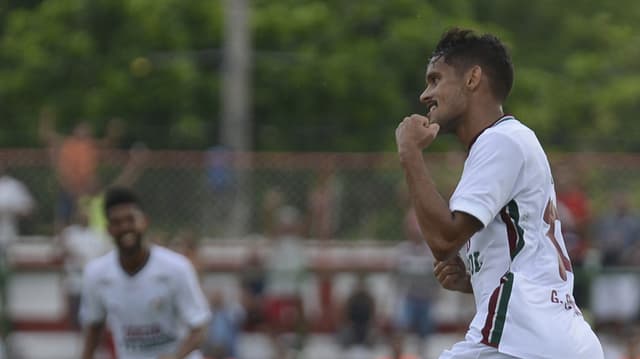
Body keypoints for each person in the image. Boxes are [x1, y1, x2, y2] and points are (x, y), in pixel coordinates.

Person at [394, 28, 603, 359]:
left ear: (473, 78)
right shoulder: (510, 140)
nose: (425, 94)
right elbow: (529, 257)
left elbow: (444, 240)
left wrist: (410, 154)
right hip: (559, 339)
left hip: (522, 342)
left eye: (435, 80)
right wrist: (473, 280)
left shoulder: (499, 141)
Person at [79, 187, 210, 359]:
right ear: (109, 229)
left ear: (145, 222)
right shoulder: (96, 273)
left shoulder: (177, 268)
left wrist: (177, 356)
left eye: (130, 220)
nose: (125, 227)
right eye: (117, 222)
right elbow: (93, 328)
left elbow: (199, 327)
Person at [393, 207, 438, 355]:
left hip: (426, 299)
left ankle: (422, 354)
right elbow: (396, 277)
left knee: (425, 332)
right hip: (409, 298)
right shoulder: (402, 250)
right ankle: (400, 354)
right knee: (401, 325)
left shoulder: (430, 251)